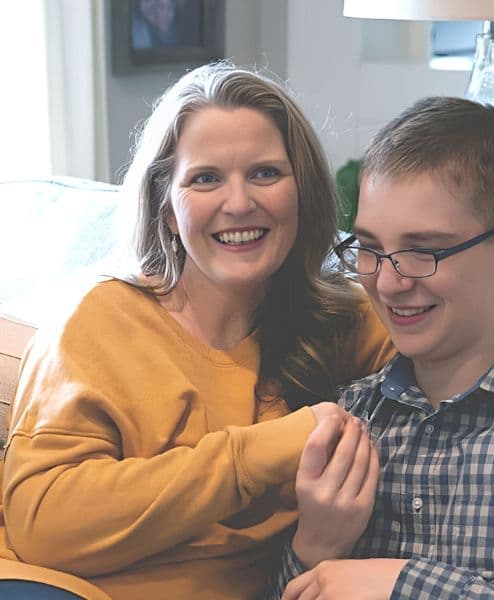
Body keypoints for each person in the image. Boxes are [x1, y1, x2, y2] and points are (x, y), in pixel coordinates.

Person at [0, 63, 396, 599]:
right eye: (205, 178)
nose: (238, 203)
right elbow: (43, 522)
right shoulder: (97, 319)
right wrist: (257, 454)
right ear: (166, 207)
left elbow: (470, 335)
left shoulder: (337, 321)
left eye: (264, 173)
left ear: (301, 193)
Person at [272, 97, 494, 599]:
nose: (386, 282)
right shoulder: (351, 418)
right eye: (370, 249)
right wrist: (315, 545)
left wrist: (400, 584)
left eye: (422, 251)